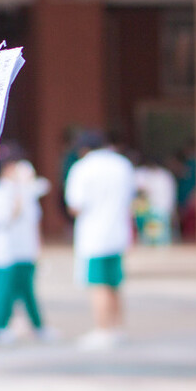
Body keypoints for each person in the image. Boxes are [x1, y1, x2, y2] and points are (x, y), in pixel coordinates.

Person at [64, 130, 135, 351]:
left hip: (94, 234)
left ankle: (103, 329)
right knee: (114, 283)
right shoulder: (122, 164)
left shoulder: (82, 168)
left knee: (98, 284)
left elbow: (75, 205)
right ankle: (117, 327)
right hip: (118, 231)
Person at [0, 154, 52, 344]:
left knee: (25, 291)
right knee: (1, 293)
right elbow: (5, 218)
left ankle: (36, 326)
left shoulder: (24, 192)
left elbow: (43, 188)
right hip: (2, 253)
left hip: (24, 252)